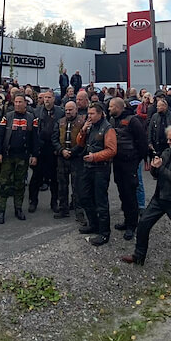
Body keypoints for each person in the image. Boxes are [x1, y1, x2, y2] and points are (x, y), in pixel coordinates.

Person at [121, 123, 171, 291]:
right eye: (167, 139)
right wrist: (155, 168)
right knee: (143, 224)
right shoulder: (167, 152)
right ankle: (139, 255)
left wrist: (160, 168)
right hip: (160, 196)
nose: (168, 142)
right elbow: (157, 174)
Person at [74, 101, 117, 246]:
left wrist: (95, 157)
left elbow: (111, 150)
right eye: (89, 114)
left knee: (101, 201)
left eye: (92, 114)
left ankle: (104, 233)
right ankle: (93, 224)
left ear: (100, 114)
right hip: (87, 166)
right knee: (84, 196)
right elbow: (79, 143)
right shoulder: (90, 126)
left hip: (100, 168)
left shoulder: (107, 128)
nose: (89, 116)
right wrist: (83, 131)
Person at [0, 94, 39, 224]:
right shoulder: (7, 117)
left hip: (23, 156)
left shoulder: (32, 118)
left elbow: (35, 138)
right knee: (4, 184)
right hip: (7, 156)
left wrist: (34, 155)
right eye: (16, 102)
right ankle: (1, 211)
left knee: (20, 184)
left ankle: (18, 208)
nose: (17, 104)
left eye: (20, 102)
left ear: (25, 103)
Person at [108, 97, 146, 241]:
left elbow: (142, 142)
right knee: (122, 192)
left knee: (130, 194)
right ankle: (126, 220)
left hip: (130, 163)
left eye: (111, 106)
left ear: (118, 107)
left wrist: (136, 160)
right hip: (117, 162)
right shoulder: (112, 121)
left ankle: (132, 225)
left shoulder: (133, 121)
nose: (109, 108)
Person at [30, 91, 62, 213]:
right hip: (40, 148)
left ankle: (54, 202)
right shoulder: (36, 111)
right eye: (45, 97)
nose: (46, 99)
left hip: (53, 149)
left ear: (54, 99)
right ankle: (33, 201)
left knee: (54, 178)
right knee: (36, 177)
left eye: (49, 97)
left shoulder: (60, 112)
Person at [56, 100, 84, 221]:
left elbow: (84, 141)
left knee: (77, 186)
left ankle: (79, 212)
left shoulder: (82, 122)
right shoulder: (60, 122)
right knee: (62, 185)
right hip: (62, 157)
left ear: (76, 109)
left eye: (70, 109)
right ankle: (63, 209)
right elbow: (54, 139)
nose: (68, 112)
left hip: (76, 158)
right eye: (66, 110)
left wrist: (73, 151)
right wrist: (61, 150)